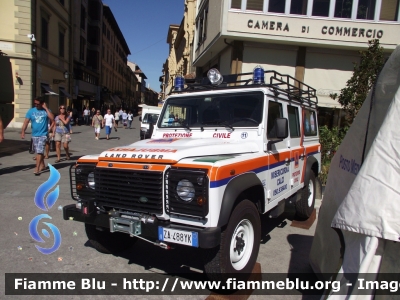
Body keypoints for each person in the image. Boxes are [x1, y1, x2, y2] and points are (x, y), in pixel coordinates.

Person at [21, 97, 54, 175]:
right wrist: (23, 131)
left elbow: (52, 118)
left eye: (37, 104)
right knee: (39, 151)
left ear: (42, 104)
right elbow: (26, 122)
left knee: (39, 151)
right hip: (34, 135)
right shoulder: (31, 111)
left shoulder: (46, 111)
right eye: (34, 103)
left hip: (43, 134)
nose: (36, 105)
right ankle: (43, 165)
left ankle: (37, 168)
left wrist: (46, 108)